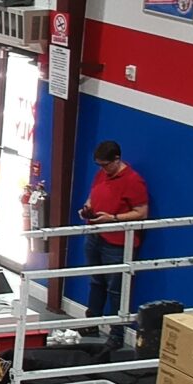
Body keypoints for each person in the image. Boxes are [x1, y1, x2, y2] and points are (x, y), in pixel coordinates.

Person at [79, 140, 150, 338]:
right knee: (96, 281)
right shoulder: (101, 174)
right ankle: (91, 324)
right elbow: (92, 196)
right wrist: (87, 208)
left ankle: (116, 334)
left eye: (105, 165)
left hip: (118, 243)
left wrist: (113, 218)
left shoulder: (134, 181)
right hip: (96, 235)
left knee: (116, 289)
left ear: (117, 159)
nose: (102, 169)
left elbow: (142, 212)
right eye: (99, 165)